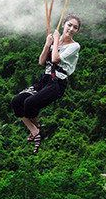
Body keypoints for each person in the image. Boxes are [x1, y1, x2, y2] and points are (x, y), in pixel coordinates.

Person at [11, 14, 81, 153]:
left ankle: (37, 130)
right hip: (44, 80)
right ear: (63, 25)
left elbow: (55, 59)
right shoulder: (56, 42)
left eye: (75, 27)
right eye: (69, 25)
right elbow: (41, 62)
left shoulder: (74, 46)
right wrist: (47, 44)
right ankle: (35, 130)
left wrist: (55, 40)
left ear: (77, 31)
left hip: (57, 83)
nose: (71, 29)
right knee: (16, 101)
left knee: (29, 103)